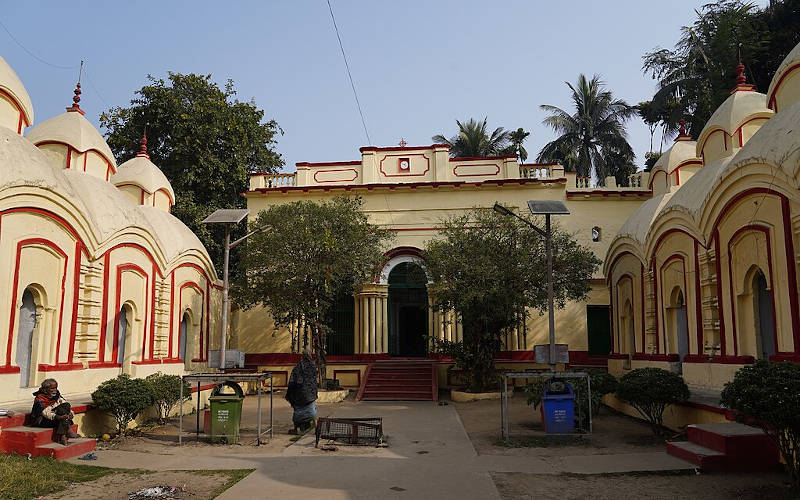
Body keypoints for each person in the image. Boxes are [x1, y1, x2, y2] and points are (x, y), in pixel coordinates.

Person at [31, 378, 79, 445]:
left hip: (57, 417)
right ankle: (66, 433)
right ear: (45, 389)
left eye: (55, 388)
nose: (54, 390)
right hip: (42, 420)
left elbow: (64, 404)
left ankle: (63, 436)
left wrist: (71, 414)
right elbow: (45, 413)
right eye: (52, 388)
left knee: (66, 405)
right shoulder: (40, 398)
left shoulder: (57, 395)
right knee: (62, 417)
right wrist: (58, 417)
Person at [285, 349, 318, 434]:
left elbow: (293, 380)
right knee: (312, 411)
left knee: (297, 411)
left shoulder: (298, 366)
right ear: (310, 356)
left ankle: (295, 429)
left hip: (299, 394)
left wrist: (290, 392)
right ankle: (317, 428)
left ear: (302, 356)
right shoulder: (313, 366)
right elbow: (313, 381)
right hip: (310, 394)